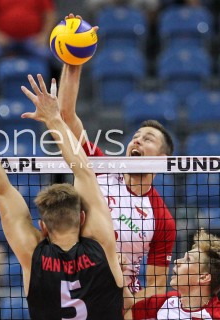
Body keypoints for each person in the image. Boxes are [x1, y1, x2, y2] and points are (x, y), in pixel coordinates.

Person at [0, 86, 124, 319]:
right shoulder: (101, 245)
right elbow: (84, 173)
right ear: (82, 219)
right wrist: (53, 119)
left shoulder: (33, 254)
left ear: (43, 227)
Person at [54, 16, 176, 306]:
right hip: (72, 288)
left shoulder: (162, 219)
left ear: (161, 161)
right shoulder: (99, 166)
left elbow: (157, 287)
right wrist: (74, 59)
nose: (137, 141)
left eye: (148, 139)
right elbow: (66, 117)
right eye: (136, 136)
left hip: (120, 302)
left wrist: (120, 302)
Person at [124, 229, 220, 319]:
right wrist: (119, 272)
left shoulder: (214, 315)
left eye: (188, 260)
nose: (177, 261)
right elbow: (126, 311)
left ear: (203, 277)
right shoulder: (164, 301)